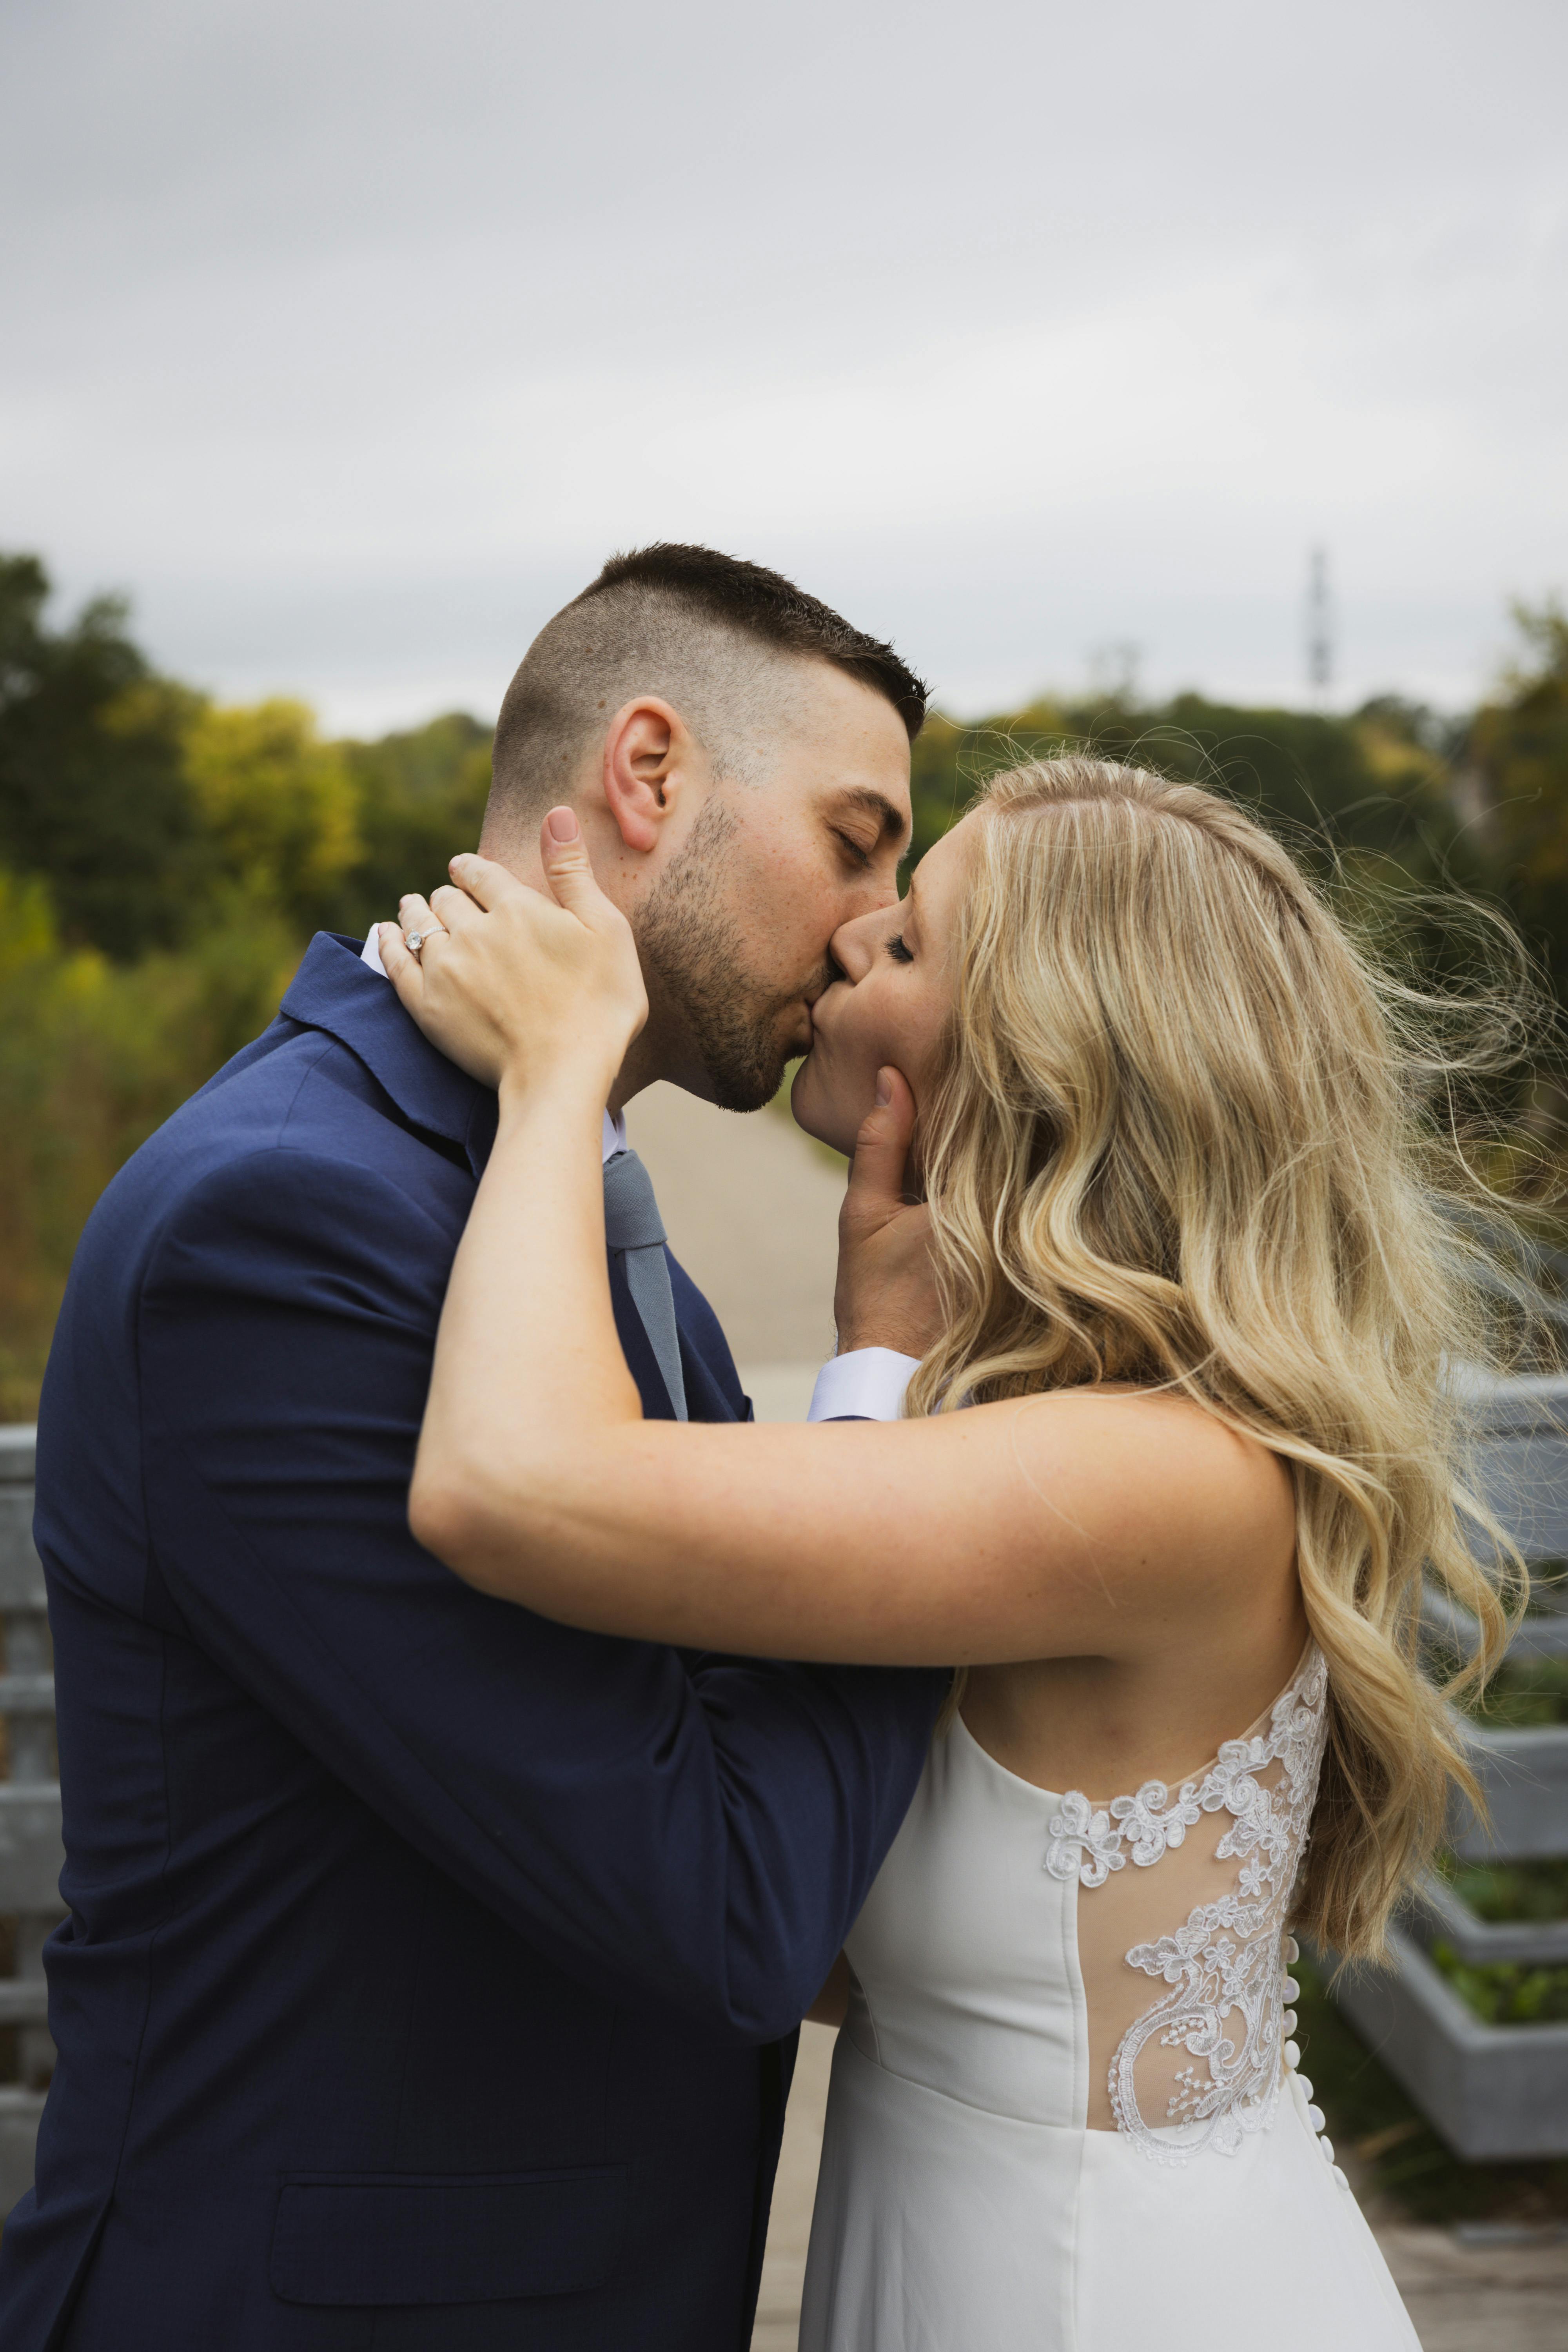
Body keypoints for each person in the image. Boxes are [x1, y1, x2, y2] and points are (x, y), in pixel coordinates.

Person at [378, 753, 1523, 2352]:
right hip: (962, 2251)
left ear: (1044, 1060)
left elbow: (506, 1481)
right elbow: (830, 1891)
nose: (850, 941)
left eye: (908, 943)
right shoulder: (1040, 1432)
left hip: (1105, 2295)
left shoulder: (1157, 1479)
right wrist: (873, 1351)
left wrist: (557, 1076)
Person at [0, 546, 949, 2351]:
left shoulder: (550, 1163)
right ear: (650, 777)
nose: (864, 922)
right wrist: (879, 1385)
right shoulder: (284, 1227)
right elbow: (724, 1899)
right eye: (854, 838)